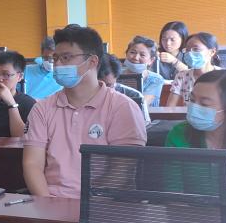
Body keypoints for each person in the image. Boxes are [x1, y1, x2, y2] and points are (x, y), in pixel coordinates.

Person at [23, 24, 147, 199]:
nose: (57, 64)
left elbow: (122, 170)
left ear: (92, 61)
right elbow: (32, 165)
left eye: (66, 57)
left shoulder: (122, 107)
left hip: (102, 204)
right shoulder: (42, 108)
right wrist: (48, 204)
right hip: (51, 201)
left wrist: (86, 205)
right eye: (55, 58)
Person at [165, 70, 226, 210]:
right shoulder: (179, 134)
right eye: (192, 100)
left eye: (204, 104)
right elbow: (173, 196)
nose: (194, 107)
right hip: (189, 217)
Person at [166, 32, 221, 106]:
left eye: (196, 49)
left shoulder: (223, 76)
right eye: (187, 50)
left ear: (212, 52)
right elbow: (170, 107)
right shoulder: (182, 76)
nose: (190, 53)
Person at [0, 50, 36, 138]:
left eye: (6, 74)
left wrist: (11, 104)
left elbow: (22, 138)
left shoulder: (28, 103)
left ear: (20, 77)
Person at [99, 54, 150, 124]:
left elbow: (144, 126)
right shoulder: (83, 97)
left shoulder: (134, 96)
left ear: (116, 79)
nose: (103, 89)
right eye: (99, 85)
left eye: (109, 85)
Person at [122, 36, 166, 107]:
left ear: (151, 60)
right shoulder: (116, 75)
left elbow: (142, 103)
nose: (136, 58)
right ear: (126, 54)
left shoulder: (156, 79)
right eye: (132, 52)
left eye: (142, 55)